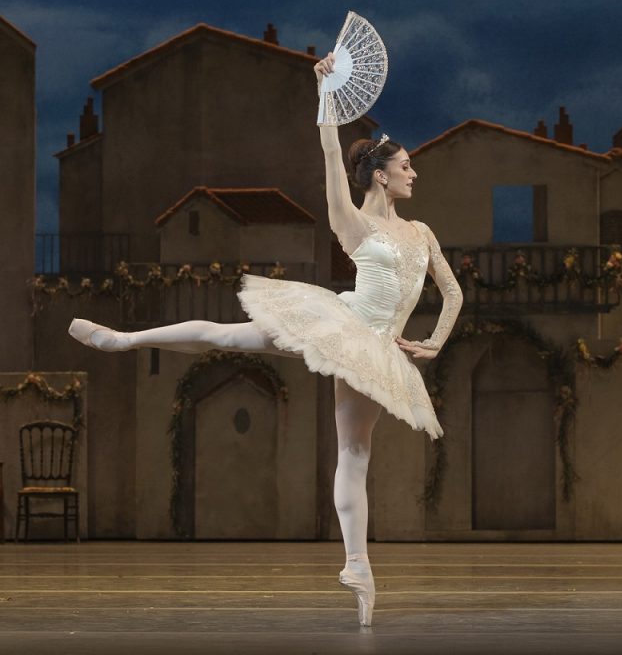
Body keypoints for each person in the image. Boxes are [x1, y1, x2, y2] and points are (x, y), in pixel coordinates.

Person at [68, 52, 463, 626]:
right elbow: (330, 153)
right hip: (340, 322)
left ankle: (358, 569)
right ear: (381, 174)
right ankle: (124, 340)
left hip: (377, 349)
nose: (414, 172)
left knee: (355, 453)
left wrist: (434, 343)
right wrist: (326, 93)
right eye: (406, 166)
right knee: (229, 335)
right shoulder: (353, 222)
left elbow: (452, 294)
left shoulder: (422, 232)